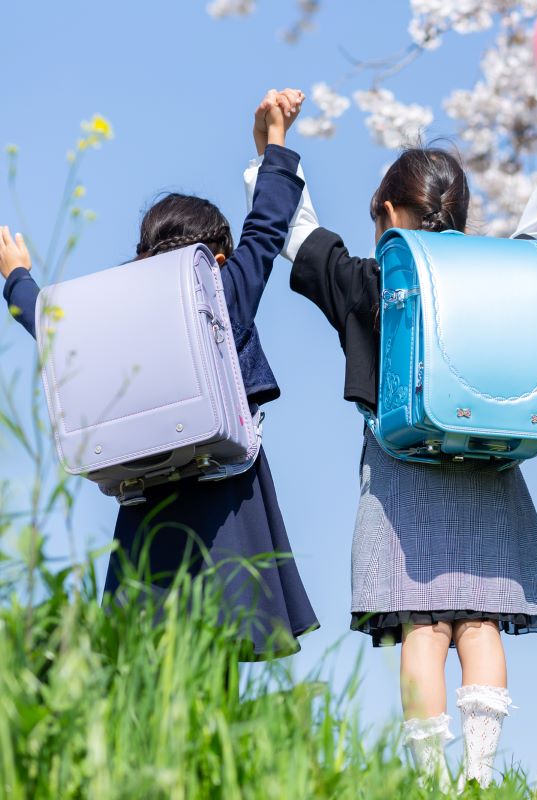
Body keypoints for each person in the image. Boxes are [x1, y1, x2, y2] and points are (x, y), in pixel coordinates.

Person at [247, 107, 537, 788]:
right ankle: (482, 774)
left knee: (422, 628)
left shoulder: (369, 280)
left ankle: (430, 780)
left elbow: (298, 238)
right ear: (461, 212)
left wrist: (275, 150)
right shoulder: (495, 271)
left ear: (387, 210)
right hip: (488, 465)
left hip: (400, 473)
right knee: (480, 624)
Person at [0, 89, 320, 659]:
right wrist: (274, 144)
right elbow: (268, 226)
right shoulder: (221, 292)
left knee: (148, 669)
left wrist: (16, 279)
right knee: (219, 657)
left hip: (147, 505)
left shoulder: (119, 314)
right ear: (216, 255)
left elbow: (50, 329)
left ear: (144, 252)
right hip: (226, 503)